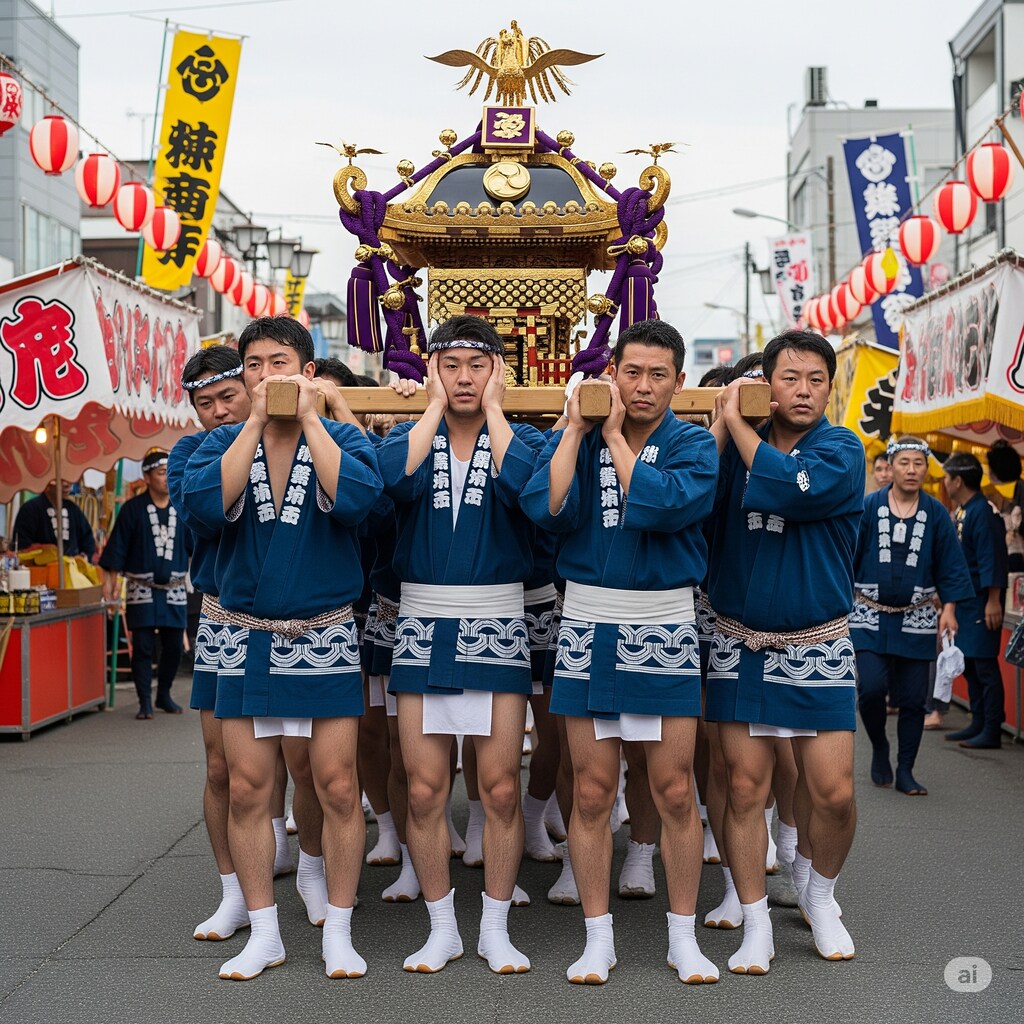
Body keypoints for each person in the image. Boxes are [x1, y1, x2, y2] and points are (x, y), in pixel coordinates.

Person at [180, 316, 382, 980]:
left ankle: (340, 929)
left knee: (338, 785)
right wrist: (251, 424)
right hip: (241, 634)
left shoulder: (344, 437)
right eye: (256, 364)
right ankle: (263, 929)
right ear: (244, 375)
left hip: (322, 632)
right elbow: (207, 509)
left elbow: (358, 503)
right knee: (244, 788)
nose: (269, 375)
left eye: (282, 362)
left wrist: (315, 419)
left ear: (309, 370)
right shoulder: (212, 447)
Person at [522, 318, 720, 985]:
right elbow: (545, 508)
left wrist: (610, 436)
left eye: (658, 374)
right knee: (592, 789)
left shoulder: (694, 444)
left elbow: (664, 504)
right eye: (631, 372)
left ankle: (683, 938)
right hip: (587, 622)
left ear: (679, 381)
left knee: (672, 789)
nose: (643, 386)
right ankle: (597, 937)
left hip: (664, 623)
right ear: (613, 374)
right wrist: (576, 428)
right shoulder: (582, 439)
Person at [376, 314, 545, 975]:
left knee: (500, 788)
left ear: (497, 370)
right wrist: (429, 407)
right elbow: (392, 482)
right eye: (452, 364)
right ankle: (441, 925)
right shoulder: (411, 436)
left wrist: (497, 411)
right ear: (432, 370)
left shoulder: (522, 437)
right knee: (423, 790)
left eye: (478, 364)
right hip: (421, 622)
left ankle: (496, 928)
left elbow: (535, 493)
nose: (465, 377)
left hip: (498, 622)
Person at [705, 328, 863, 972]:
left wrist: (737, 427)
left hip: (817, 642)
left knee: (834, 792)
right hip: (737, 639)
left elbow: (796, 488)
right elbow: (686, 502)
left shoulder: (843, 449)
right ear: (765, 383)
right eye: (788, 378)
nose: (802, 391)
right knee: (744, 787)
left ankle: (819, 892)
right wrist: (722, 428)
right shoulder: (727, 449)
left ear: (829, 387)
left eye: (815, 380)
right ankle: (754, 920)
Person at [850, 436, 973, 795]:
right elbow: (848, 557)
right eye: (904, 462)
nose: (911, 470)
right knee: (870, 690)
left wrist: (949, 609)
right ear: (891, 466)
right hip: (869, 615)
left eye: (918, 463)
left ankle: (905, 769)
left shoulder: (935, 513)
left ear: (926, 468)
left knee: (913, 699)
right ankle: (879, 747)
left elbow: (951, 563)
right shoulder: (869, 507)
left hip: (916, 618)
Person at [100, 449, 192, 719]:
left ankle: (164, 693)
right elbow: (116, 549)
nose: (166, 479)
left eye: (169, 473)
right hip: (142, 587)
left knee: (174, 646)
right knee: (142, 646)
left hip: (174, 587)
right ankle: (144, 702)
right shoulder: (132, 509)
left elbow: (196, 546)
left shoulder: (182, 507)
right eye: (161, 473)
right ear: (147, 476)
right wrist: (110, 585)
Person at [942, 452, 1009, 750]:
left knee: (984, 666)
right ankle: (979, 720)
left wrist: (994, 600)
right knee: (969, 663)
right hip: (967, 602)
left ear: (957, 480)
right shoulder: (964, 510)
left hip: (983, 601)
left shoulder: (984, 512)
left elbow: (991, 559)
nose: (944, 482)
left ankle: (992, 728)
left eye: (946, 477)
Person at [13, 480, 96, 558]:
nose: (67, 485)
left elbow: (88, 541)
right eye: (61, 480)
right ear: (48, 483)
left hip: (71, 570)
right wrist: (42, 549)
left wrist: (82, 558)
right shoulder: (30, 509)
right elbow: (21, 546)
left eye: (69, 480)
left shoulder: (73, 510)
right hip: (39, 571)